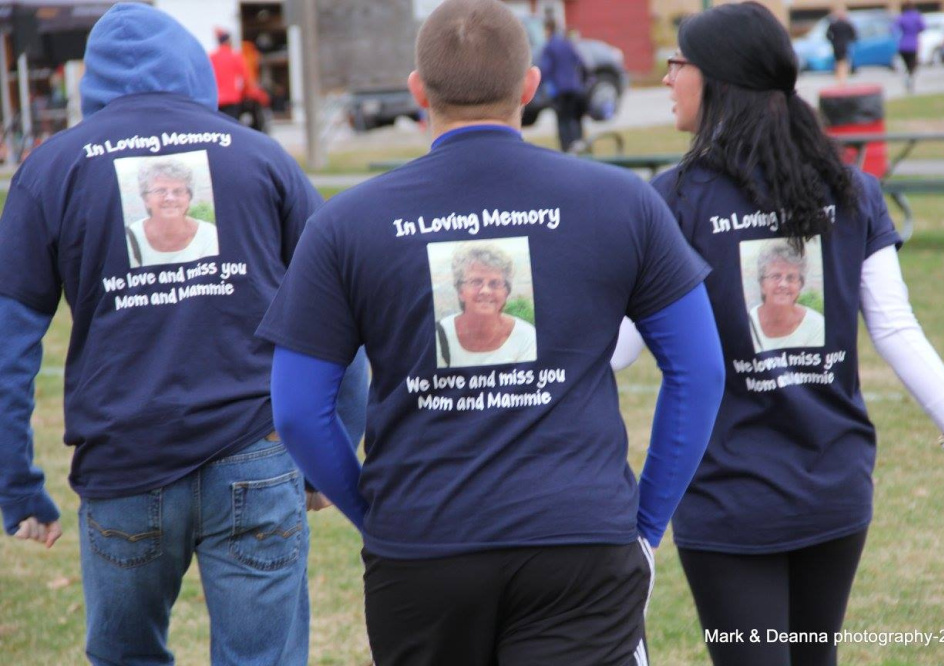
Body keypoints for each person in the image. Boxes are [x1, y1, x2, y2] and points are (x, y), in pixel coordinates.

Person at [256, 1, 725, 664]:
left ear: (418, 92)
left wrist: (378, 514)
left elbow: (299, 411)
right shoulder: (622, 200)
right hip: (580, 541)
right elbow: (700, 372)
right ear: (530, 87)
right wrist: (643, 524)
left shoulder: (345, 223)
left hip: (422, 547)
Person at [0, 4, 368, 665]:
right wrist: (325, 457)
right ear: (194, 69)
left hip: (122, 466)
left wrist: (18, 486)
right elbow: (345, 321)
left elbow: (8, 351)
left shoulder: (50, 168)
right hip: (254, 457)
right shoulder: (262, 157)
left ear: (93, 82)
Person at [644, 3, 944, 664]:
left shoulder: (674, 202)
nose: (665, 78)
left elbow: (615, 352)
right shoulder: (852, 190)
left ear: (720, 78)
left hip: (732, 505)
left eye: (678, 62)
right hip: (832, 491)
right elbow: (896, 327)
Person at [436, 242, 537, 367]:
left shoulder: (526, 337)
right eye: (476, 282)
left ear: (506, 292)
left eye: (495, 283)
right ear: (460, 291)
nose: (485, 291)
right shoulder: (438, 337)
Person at [126, 160, 219, 267]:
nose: (170, 198)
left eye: (178, 191)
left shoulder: (209, 235)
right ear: (146, 199)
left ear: (189, 197)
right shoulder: (129, 239)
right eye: (160, 191)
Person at [748, 240, 825, 353]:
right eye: (776, 276)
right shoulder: (748, 324)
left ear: (800, 285)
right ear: (762, 284)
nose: (783, 284)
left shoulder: (816, 326)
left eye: (791, 278)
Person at [540, 17, 587, 152]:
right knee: (575, 118)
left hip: (559, 90)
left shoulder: (549, 47)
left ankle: (566, 148)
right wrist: (582, 81)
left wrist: (539, 85)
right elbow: (581, 62)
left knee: (562, 120)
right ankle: (579, 144)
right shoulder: (567, 43)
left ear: (548, 30)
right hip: (574, 87)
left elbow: (546, 69)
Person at [209, 27, 249, 120]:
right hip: (232, 98)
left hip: (216, 100)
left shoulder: (212, 57)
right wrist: (243, 94)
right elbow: (245, 78)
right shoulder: (235, 56)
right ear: (228, 41)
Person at [893, 2, 925, 93]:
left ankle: (908, 78)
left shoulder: (901, 17)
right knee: (913, 64)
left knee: (907, 65)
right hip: (913, 44)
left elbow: (893, 28)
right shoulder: (916, 16)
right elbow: (923, 27)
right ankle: (910, 78)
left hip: (903, 44)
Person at [826, 8, 857, 85]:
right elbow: (854, 35)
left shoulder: (833, 24)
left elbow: (827, 35)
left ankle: (838, 77)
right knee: (843, 61)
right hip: (844, 45)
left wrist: (832, 41)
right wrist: (849, 40)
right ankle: (843, 78)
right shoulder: (847, 24)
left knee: (837, 61)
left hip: (835, 45)